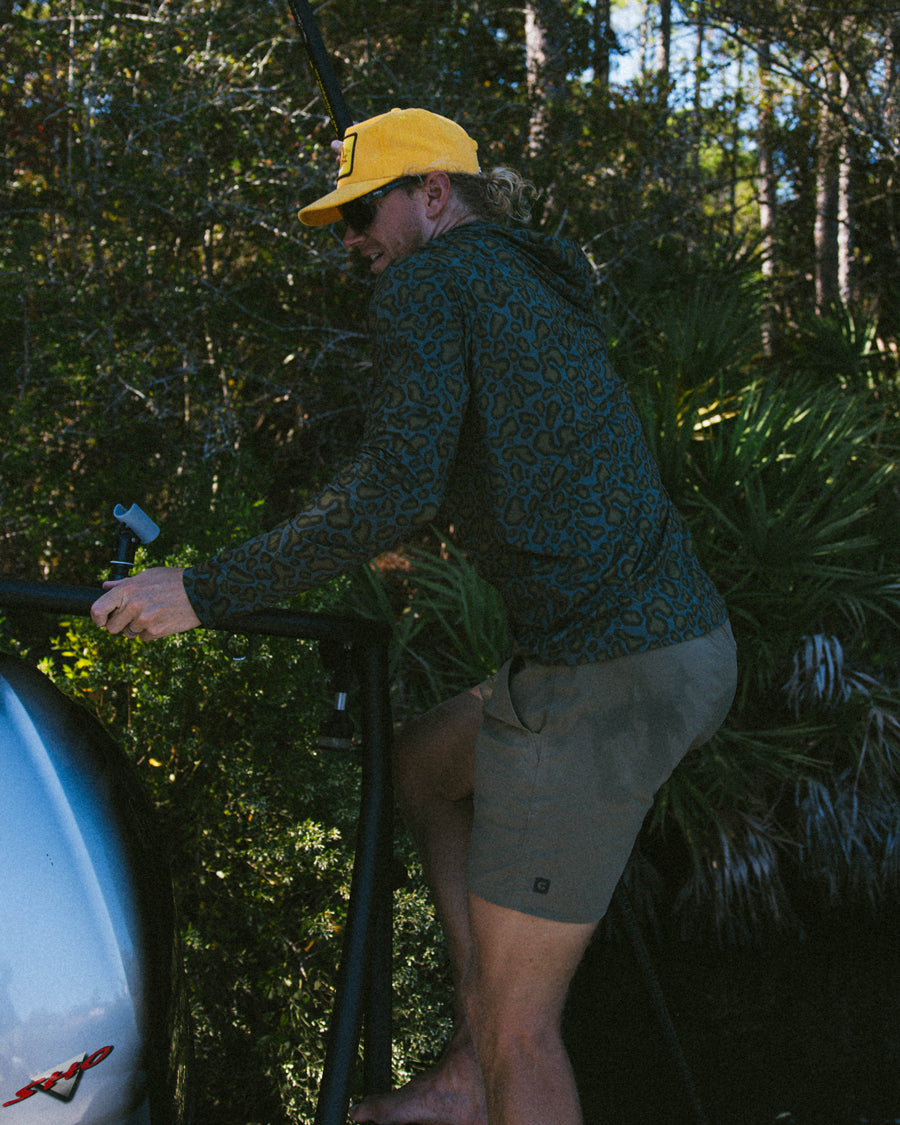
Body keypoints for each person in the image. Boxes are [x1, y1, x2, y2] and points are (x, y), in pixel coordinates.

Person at [92, 106, 737, 1125]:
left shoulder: (435, 282)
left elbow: (394, 489)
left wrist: (202, 591)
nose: (352, 243)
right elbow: (464, 464)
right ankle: (468, 1074)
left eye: (362, 212)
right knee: (428, 764)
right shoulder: (530, 273)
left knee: (522, 1024)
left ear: (434, 195)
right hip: (680, 651)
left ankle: (492, 1058)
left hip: (609, 673)